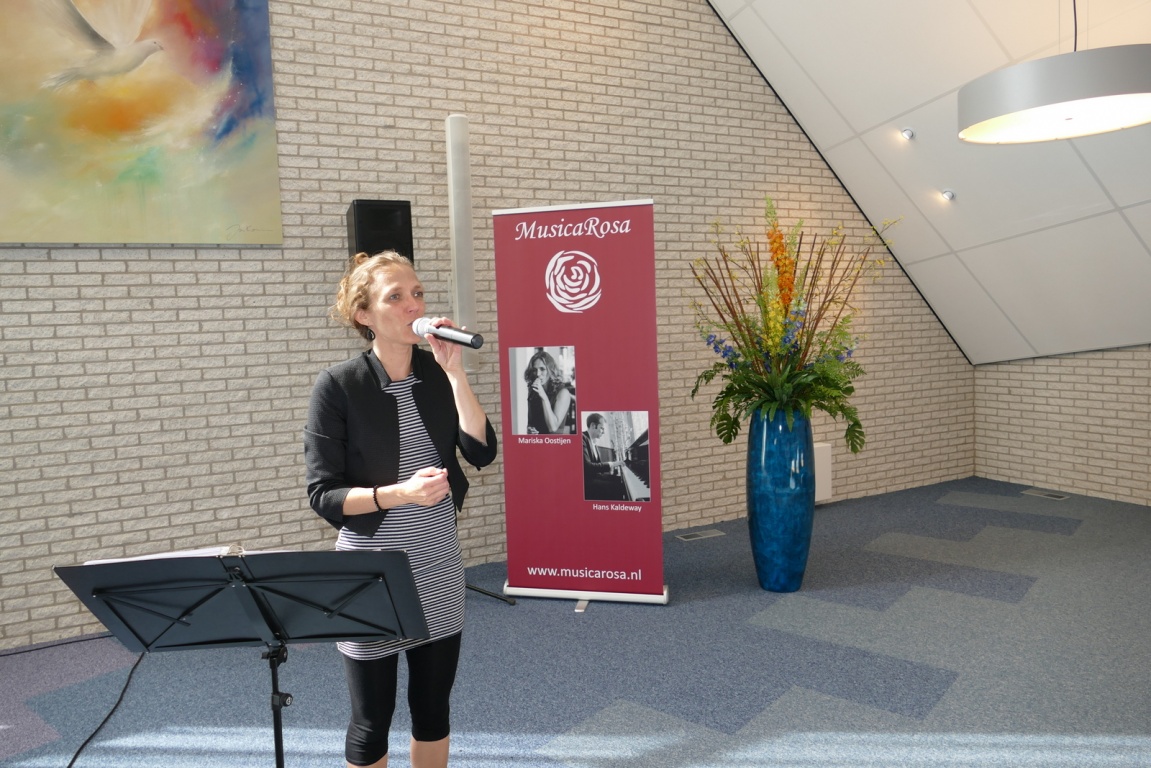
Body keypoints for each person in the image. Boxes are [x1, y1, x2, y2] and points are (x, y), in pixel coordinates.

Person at [304, 250, 497, 768]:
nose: (414, 305)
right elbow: (324, 495)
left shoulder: (436, 375)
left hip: (437, 563)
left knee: (433, 710)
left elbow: (481, 452)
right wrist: (400, 493)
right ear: (363, 315)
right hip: (371, 571)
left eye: (418, 293)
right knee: (372, 722)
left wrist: (455, 374)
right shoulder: (339, 386)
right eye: (396, 297)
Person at [522, 349, 574, 434]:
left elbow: (553, 428)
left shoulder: (563, 393)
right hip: (536, 440)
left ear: (550, 370)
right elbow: (530, 422)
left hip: (555, 441)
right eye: (535, 370)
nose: (538, 374)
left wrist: (543, 396)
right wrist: (529, 429)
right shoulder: (533, 391)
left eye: (542, 369)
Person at [581, 412, 626, 500]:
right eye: (602, 428)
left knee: (619, 480)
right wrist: (613, 464)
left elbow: (597, 466)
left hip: (594, 477)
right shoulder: (581, 438)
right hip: (586, 482)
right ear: (593, 426)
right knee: (617, 486)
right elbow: (588, 467)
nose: (604, 432)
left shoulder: (593, 441)